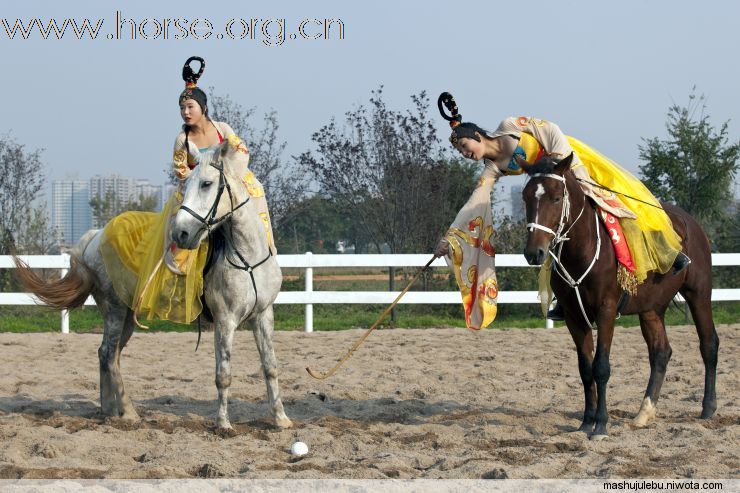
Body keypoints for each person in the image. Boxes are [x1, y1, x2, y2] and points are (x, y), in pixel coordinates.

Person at [434, 92, 689, 326]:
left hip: (569, 162)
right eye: (460, 152)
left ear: (477, 136)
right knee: (552, 236)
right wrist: (450, 237)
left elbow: (550, 129)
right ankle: (565, 297)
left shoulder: (509, 125)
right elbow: (473, 203)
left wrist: (562, 166)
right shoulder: (492, 169)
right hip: (551, 187)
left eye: (464, 147)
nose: (464, 154)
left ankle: (666, 250)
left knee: (616, 200)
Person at [99, 56, 275, 324]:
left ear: (203, 108)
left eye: (190, 106)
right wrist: (202, 176)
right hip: (197, 189)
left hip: (228, 181)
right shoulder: (182, 139)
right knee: (183, 225)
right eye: (182, 108)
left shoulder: (222, 128)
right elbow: (181, 171)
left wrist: (225, 175)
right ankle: (184, 283)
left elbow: (241, 150)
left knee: (255, 196)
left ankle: (266, 251)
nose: (185, 112)